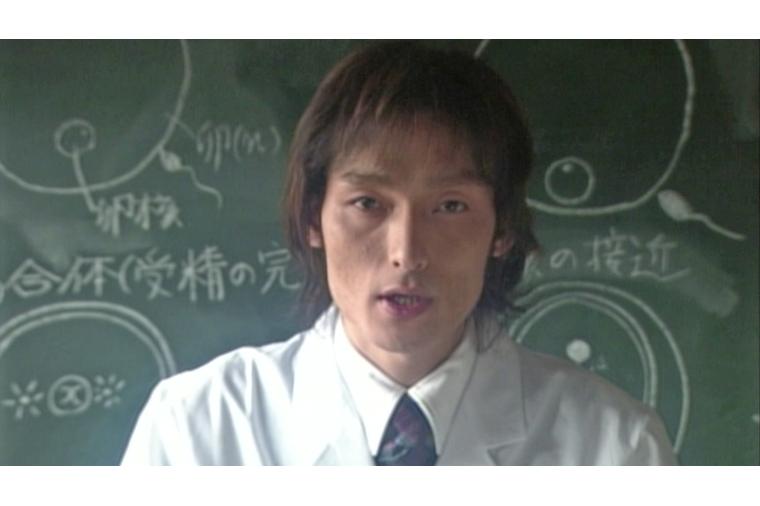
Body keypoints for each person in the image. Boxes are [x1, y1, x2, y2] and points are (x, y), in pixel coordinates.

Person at [121, 41, 677, 465]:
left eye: (450, 206)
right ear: (314, 216)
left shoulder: (615, 448)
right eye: (367, 203)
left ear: (503, 228)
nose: (406, 253)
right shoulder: (199, 429)